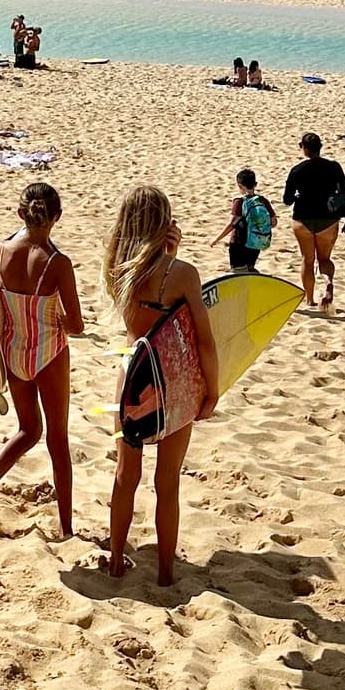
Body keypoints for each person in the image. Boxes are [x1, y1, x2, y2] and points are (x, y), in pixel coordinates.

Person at [103, 188, 218, 586]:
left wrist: (163, 255)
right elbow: (203, 339)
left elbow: (145, 314)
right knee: (166, 483)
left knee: (125, 476)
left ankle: (117, 561)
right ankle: (167, 573)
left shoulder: (116, 268)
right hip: (172, 384)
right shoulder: (182, 274)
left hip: (132, 377)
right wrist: (213, 391)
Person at [0, 182, 83, 540]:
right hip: (49, 351)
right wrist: (64, 322)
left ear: (20, 212)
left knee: (27, 430)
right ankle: (66, 528)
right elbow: (77, 324)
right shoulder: (57, 263)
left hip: (13, 349)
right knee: (57, 440)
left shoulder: (0, 251)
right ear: (57, 217)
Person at [283, 131, 345, 309]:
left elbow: (287, 200)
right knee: (324, 259)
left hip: (303, 219)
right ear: (320, 148)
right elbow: (344, 194)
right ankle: (328, 282)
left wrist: (298, 195)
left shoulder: (297, 170)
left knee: (307, 259)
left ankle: (310, 299)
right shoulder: (334, 167)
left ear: (304, 148)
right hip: (328, 219)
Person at [216, 168, 275, 270]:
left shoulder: (239, 201)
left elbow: (232, 224)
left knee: (238, 272)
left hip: (239, 242)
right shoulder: (262, 201)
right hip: (255, 241)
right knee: (250, 268)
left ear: (239, 185)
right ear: (255, 184)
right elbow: (274, 222)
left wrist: (216, 239)